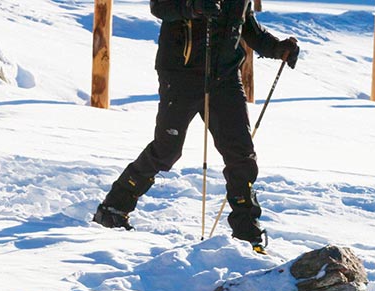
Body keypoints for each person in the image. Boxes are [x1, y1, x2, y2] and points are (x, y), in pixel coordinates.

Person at [92, 0, 299, 249]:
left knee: (241, 153)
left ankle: (247, 232)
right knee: (167, 150)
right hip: (181, 74)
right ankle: (113, 207)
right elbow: (160, 7)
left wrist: (277, 48)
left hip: (225, 78)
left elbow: (247, 27)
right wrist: (193, 7)